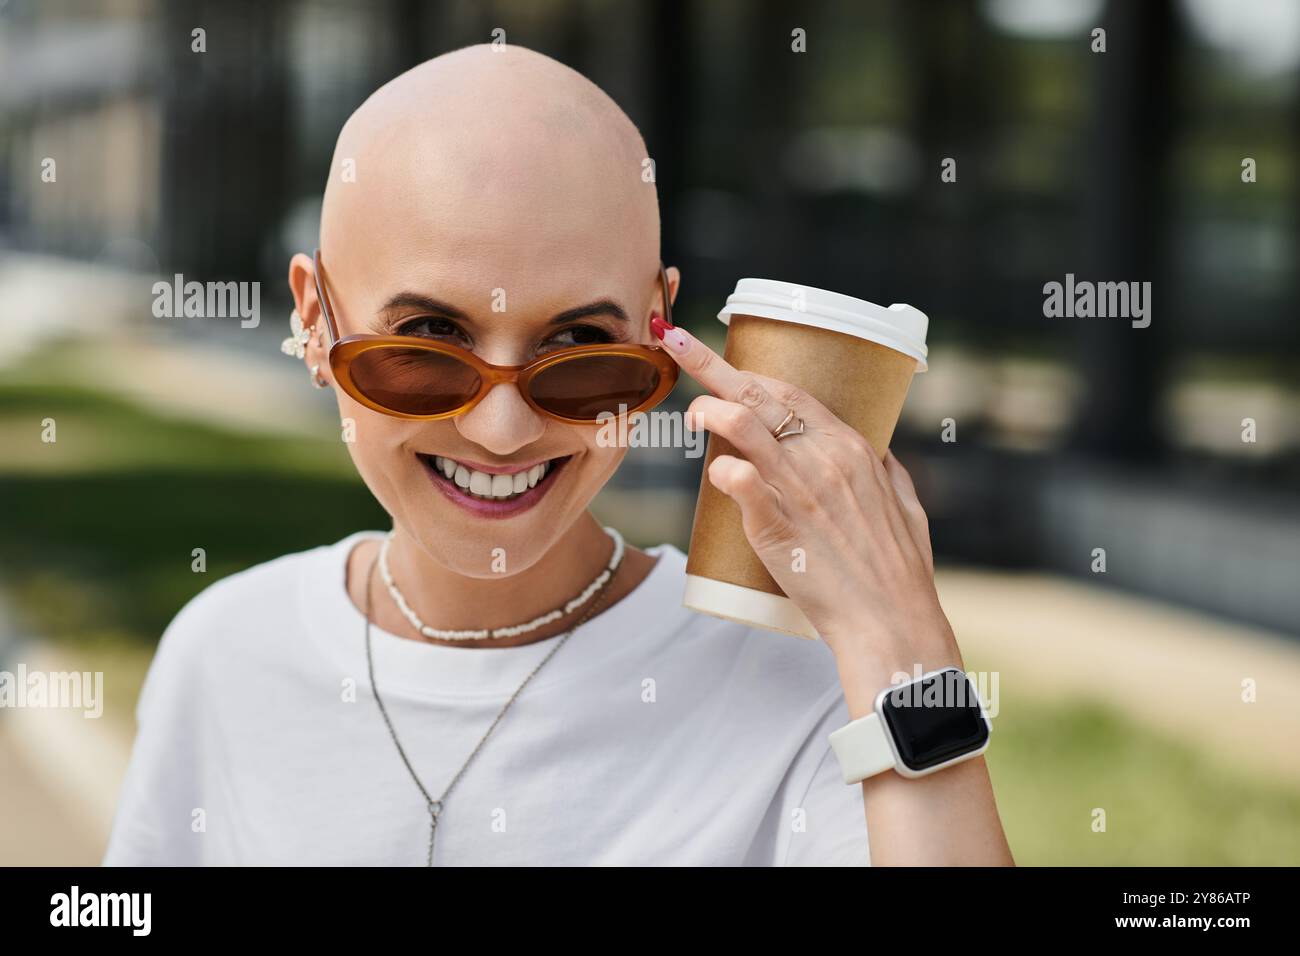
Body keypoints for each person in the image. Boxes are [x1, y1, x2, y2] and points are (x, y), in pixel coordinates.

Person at [103, 44, 1013, 866]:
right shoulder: (224, 655)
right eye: (425, 339)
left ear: (660, 331)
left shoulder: (808, 695)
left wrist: (903, 646)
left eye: (579, 347)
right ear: (313, 319)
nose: (502, 432)